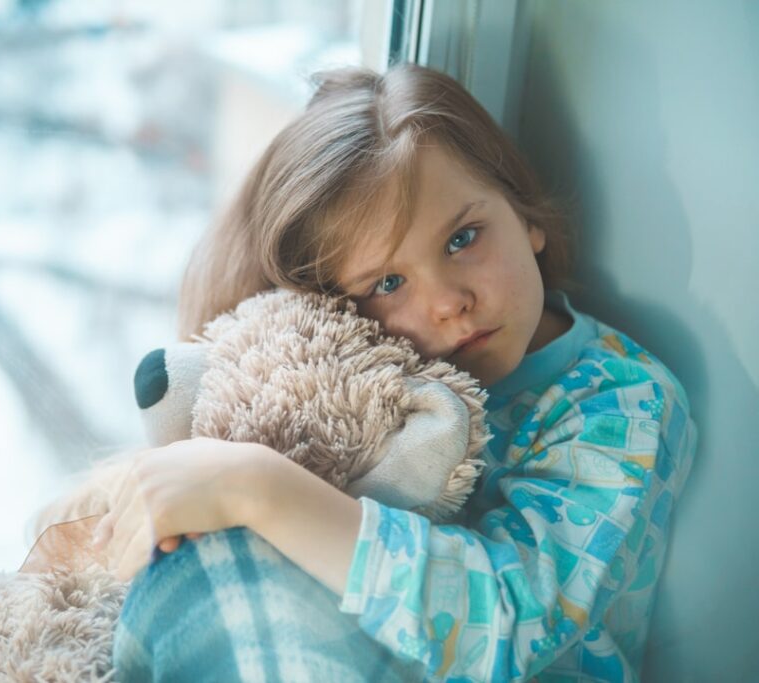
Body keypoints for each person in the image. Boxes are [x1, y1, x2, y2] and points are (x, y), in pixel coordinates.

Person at [87, 64, 697, 681]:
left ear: (526, 215)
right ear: (330, 309)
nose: (446, 302)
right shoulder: (360, 379)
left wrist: (260, 488)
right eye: (387, 283)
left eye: (463, 238)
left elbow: (511, 623)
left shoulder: (620, 401)